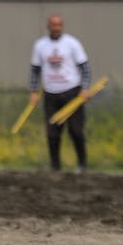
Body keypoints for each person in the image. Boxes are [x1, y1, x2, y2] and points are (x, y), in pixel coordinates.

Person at [28, 14, 91, 173]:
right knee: (52, 133)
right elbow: (35, 70)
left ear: (62, 26)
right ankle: (55, 167)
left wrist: (85, 88)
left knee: (76, 131)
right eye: (53, 25)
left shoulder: (72, 43)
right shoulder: (40, 45)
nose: (56, 28)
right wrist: (34, 91)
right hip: (51, 94)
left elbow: (85, 68)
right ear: (48, 27)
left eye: (59, 25)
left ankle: (82, 165)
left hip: (72, 93)